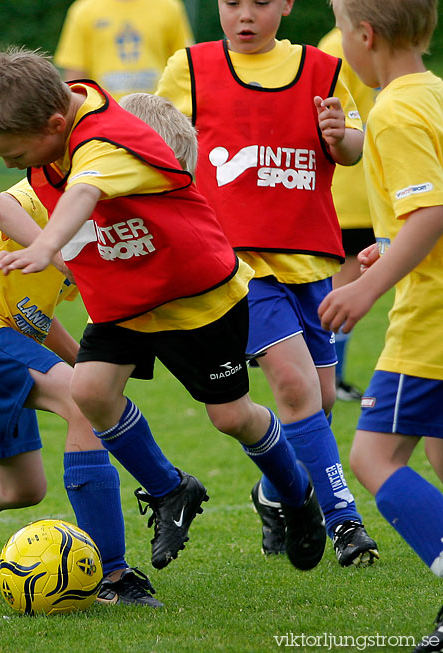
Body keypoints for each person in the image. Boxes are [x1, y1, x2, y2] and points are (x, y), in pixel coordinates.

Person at [0, 46, 328, 574]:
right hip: (102, 307)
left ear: (52, 125)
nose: (8, 168)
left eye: (14, 155)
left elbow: (83, 192)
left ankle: (297, 498)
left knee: (229, 417)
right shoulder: (51, 117)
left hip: (200, 300)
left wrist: (49, 246)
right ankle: (149, 517)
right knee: (87, 393)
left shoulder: (109, 148)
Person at [154, 0, 379, 568]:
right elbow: (157, 148)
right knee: (296, 388)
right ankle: (344, 521)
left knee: (321, 400)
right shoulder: (190, 68)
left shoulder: (322, 67)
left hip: (311, 259)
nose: (244, 15)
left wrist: (339, 138)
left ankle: (275, 493)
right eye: (232, 3)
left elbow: (354, 147)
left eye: (259, 2)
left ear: (286, 5)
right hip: (238, 264)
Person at [318, 0, 442, 648]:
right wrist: (386, 244)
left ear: (364, 36)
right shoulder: (434, 93)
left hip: (430, 319)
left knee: (373, 455)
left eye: (342, 31)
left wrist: (366, 283)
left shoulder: (392, 108)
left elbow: (430, 215)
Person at [317, 26, 377, 402]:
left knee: (349, 289)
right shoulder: (338, 45)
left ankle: (332, 378)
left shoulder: (372, 37)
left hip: (367, 191)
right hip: (348, 195)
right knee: (345, 290)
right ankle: (330, 379)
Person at [54, 0, 193, 100]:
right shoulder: (83, 10)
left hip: (158, 117)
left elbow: (184, 67)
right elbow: (76, 79)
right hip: (105, 120)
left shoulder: (170, 7)